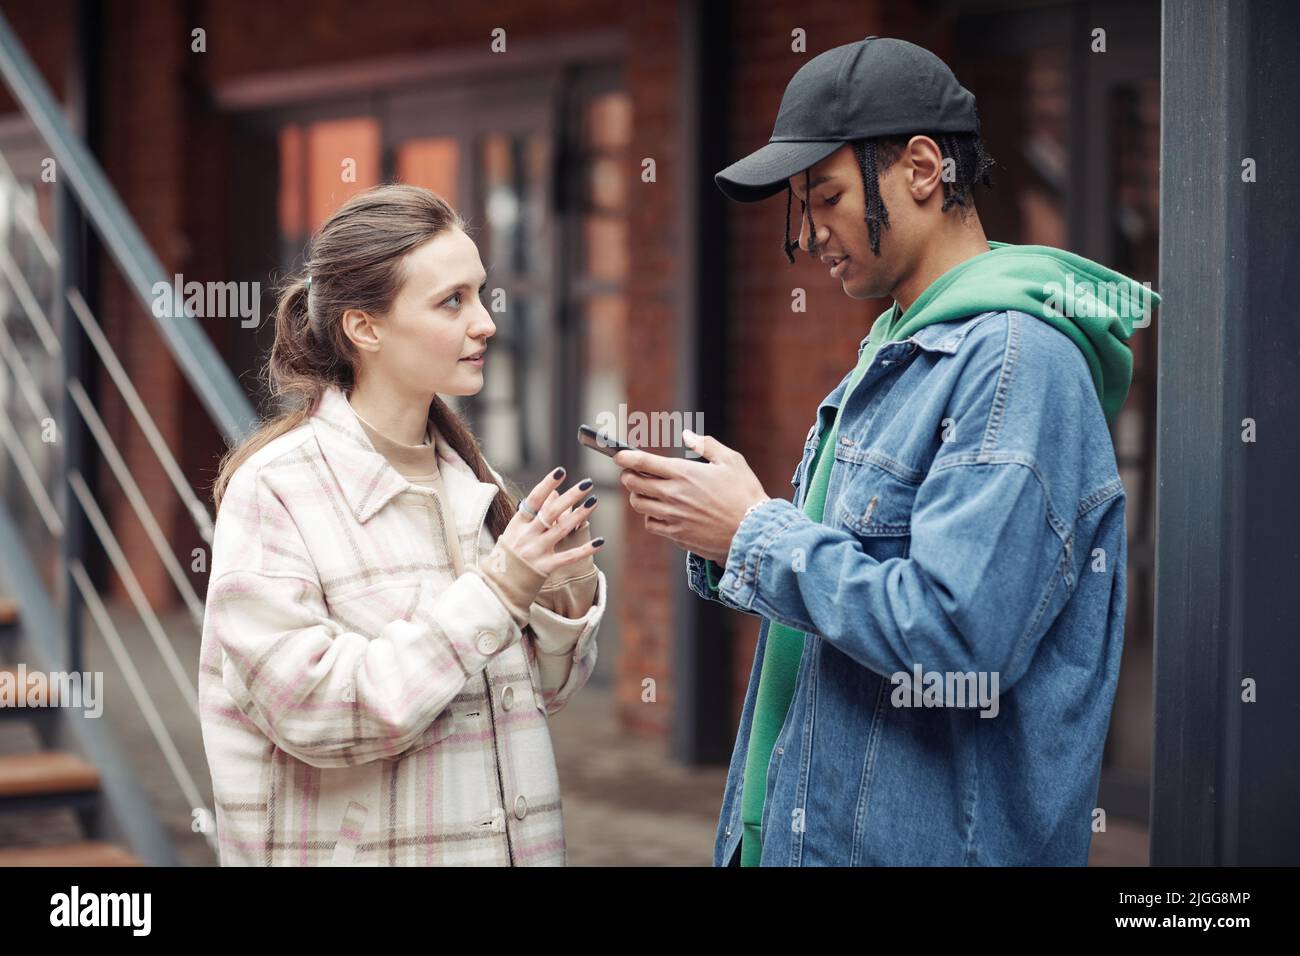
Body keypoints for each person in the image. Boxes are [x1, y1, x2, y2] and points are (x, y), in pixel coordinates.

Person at [611, 36, 1158, 866]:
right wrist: (721, 530)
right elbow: (849, 590)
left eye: (824, 197)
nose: (807, 236)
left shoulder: (1013, 362)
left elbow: (957, 636)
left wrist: (754, 532)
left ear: (923, 167)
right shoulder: (901, 347)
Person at [199, 183, 606, 866]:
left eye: (480, 293)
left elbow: (532, 700)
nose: (486, 322)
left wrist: (562, 592)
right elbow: (315, 710)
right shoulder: (276, 489)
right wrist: (498, 590)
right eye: (452, 301)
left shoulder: (471, 482)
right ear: (365, 327)